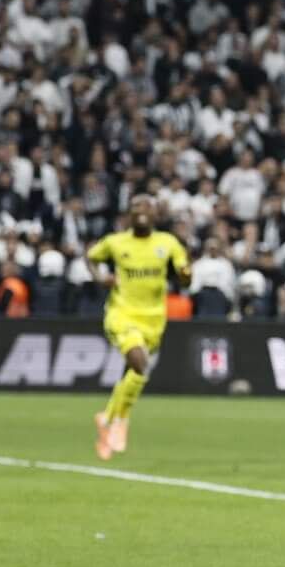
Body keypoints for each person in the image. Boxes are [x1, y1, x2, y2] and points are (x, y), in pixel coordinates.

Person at [85, 195, 190, 462]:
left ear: (155, 214)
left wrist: (186, 276)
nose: (140, 211)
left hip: (154, 319)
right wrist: (101, 278)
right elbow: (91, 258)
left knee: (136, 371)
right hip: (122, 314)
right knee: (139, 363)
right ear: (128, 215)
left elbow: (184, 275)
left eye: (145, 207)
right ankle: (120, 421)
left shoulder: (167, 243)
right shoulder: (115, 242)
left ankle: (108, 417)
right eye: (134, 208)